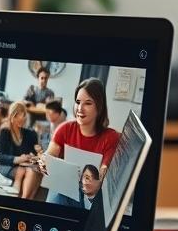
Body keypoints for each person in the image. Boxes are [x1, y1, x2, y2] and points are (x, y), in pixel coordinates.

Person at [41, 78, 120, 206]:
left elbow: (104, 171)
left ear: (99, 107)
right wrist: (44, 160)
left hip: (90, 194)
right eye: (78, 102)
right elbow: (49, 154)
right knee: (60, 195)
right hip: (64, 190)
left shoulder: (111, 137)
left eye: (88, 103)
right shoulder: (64, 129)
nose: (80, 108)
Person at [0, 101, 43, 198]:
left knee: (36, 171)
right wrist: (18, 159)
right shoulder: (5, 132)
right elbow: (0, 157)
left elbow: (33, 152)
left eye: (24, 115)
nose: (24, 118)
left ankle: (26, 200)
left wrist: (34, 153)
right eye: (21, 116)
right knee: (25, 171)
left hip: (24, 165)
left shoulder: (28, 133)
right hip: (7, 165)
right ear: (13, 116)